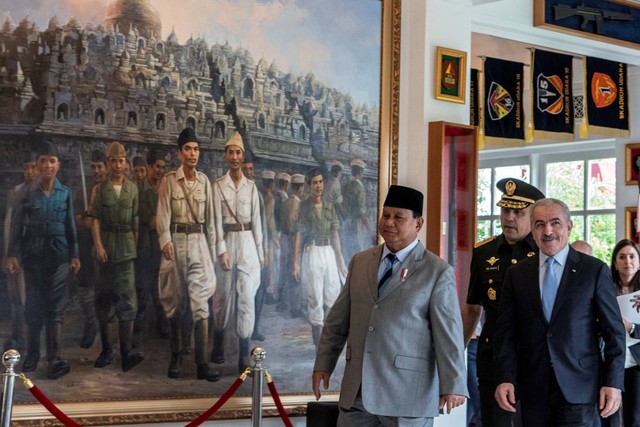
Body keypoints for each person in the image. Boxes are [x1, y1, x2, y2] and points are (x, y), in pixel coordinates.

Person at [313, 184, 468, 426]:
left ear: (418, 223)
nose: (389, 222)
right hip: (358, 394)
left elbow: (448, 335)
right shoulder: (360, 262)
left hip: (407, 398)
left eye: (398, 217)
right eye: (385, 215)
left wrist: (454, 384)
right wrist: (324, 363)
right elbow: (337, 320)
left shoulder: (436, 271)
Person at [494, 198, 626, 425]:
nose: (548, 231)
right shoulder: (517, 274)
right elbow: (506, 333)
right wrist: (504, 377)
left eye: (555, 223)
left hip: (580, 389)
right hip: (533, 390)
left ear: (569, 227)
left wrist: (613, 382)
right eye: (539, 224)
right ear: (532, 231)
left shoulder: (593, 270)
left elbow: (613, 332)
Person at [461, 177, 544, 427]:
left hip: (534, 355)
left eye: (518, 212)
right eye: (505, 210)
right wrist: (458, 355)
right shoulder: (484, 252)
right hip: (493, 355)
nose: (509, 217)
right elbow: (473, 307)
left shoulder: (545, 251)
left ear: (531, 215)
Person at [4, 140, 80, 379]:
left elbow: (71, 228)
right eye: (44, 161)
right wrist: (12, 254)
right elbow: (16, 226)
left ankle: (55, 358)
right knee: (34, 306)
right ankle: (33, 356)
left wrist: (75, 254)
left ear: (58, 165)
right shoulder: (25, 193)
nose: (48, 166)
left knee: (56, 308)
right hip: (33, 257)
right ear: (37, 165)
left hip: (59, 258)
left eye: (52, 161)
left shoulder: (65, 194)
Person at [156, 127, 220, 382]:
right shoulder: (169, 181)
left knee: (200, 303)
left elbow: (213, 222)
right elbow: (162, 214)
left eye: (195, 149)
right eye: (188, 149)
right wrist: (165, 241)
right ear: (180, 154)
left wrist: (213, 252)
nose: (193, 153)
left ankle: (202, 363)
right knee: (174, 301)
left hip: (199, 243)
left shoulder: (204, 182)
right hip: (176, 241)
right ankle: (176, 356)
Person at [212, 131, 264, 373]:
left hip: (247, 245)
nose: (234, 157)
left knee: (246, 298)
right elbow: (213, 224)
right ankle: (218, 345)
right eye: (231, 152)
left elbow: (257, 222)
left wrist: (260, 254)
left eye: (238, 153)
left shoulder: (251, 188)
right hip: (226, 242)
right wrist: (221, 250)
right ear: (225, 156)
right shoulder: (217, 186)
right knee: (222, 298)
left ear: (243, 157)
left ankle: (244, 352)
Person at [91, 141, 144, 372]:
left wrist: (134, 247)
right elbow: (95, 220)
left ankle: (126, 354)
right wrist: (99, 245)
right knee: (104, 302)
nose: (117, 165)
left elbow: (135, 222)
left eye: (121, 160)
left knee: (128, 303)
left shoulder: (133, 189)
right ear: (108, 163)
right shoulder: (99, 190)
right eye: (113, 161)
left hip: (126, 252)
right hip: (106, 251)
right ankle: (106, 351)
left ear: (126, 163)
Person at [293, 167, 348, 346]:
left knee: (332, 295)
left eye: (321, 182)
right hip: (312, 252)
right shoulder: (303, 206)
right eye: (315, 182)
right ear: (309, 185)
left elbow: (335, 235)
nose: (319, 186)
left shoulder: (329, 206)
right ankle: (319, 347)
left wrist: (340, 261)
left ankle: (329, 343)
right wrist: (295, 262)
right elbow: (299, 234)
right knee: (315, 297)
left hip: (328, 253)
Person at [2, 149, 37, 352]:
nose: (30, 172)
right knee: (15, 296)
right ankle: (16, 336)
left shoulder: (40, 193)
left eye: (34, 168)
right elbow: (9, 224)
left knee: (27, 297)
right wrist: (8, 254)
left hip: (32, 254)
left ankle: (26, 339)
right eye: (27, 168)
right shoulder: (15, 192)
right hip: (15, 254)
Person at [73, 149, 108, 349]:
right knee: (85, 285)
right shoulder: (83, 189)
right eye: (93, 167)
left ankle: (105, 330)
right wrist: (83, 220)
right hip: (87, 245)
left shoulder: (112, 188)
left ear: (106, 167)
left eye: (99, 166)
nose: (96, 171)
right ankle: (89, 324)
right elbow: (76, 217)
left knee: (105, 288)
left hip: (107, 244)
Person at [133, 149, 167, 346]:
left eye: (163, 167)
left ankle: (161, 327)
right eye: (157, 167)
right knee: (142, 292)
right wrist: (154, 219)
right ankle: (137, 332)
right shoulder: (139, 190)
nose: (161, 171)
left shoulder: (164, 189)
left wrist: (159, 220)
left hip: (160, 248)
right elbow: (145, 217)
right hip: (144, 248)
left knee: (160, 292)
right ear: (149, 167)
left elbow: (163, 219)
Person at [609, 239, 640, 427]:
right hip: (611, 357)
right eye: (622, 257)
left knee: (634, 416)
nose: (627, 261)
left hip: (636, 361)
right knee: (609, 411)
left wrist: (631, 327)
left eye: (631, 256)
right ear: (614, 262)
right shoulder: (605, 286)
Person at [278, 173, 305, 317]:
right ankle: (295, 307)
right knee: (295, 272)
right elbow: (298, 228)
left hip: (283, 238)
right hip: (293, 239)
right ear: (300, 188)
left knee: (284, 270)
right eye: (302, 187)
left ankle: (283, 302)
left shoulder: (285, 202)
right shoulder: (298, 205)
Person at [342, 159, 372, 261]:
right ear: (360, 173)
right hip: (357, 223)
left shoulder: (346, 186)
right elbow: (362, 211)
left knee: (347, 249)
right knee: (358, 248)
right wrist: (369, 229)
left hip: (346, 222)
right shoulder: (359, 188)